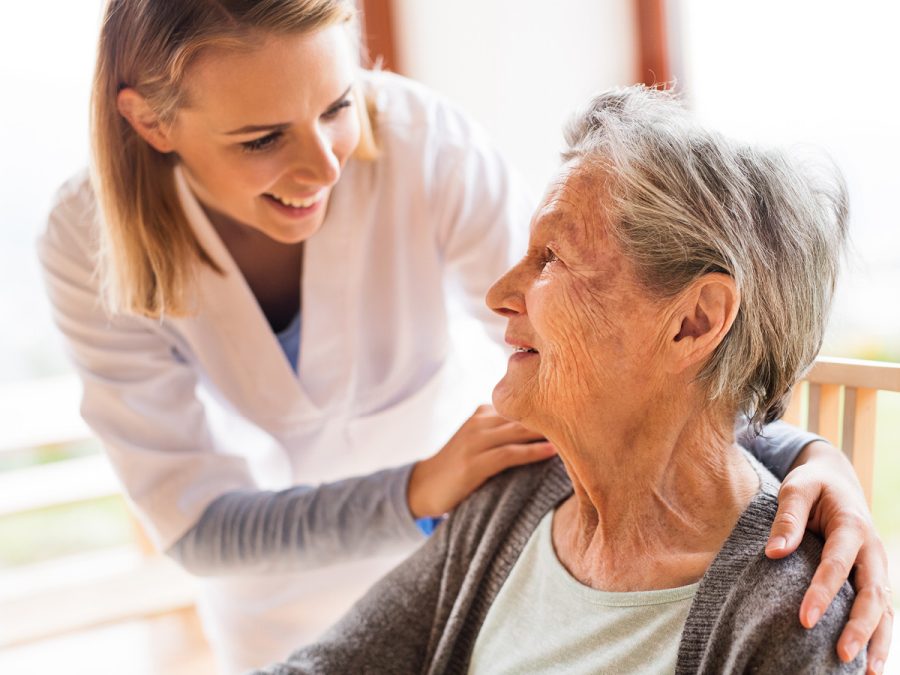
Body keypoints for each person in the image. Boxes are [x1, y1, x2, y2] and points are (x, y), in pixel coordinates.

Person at [38, 1, 890, 672]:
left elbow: (634, 350)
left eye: (340, 105)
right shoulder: (85, 243)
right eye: (262, 138)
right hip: (309, 589)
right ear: (153, 123)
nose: (327, 164)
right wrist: (422, 492)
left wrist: (805, 451)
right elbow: (203, 527)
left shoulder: (421, 144)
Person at [256, 86, 886, 674]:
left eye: (551, 258)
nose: (499, 294)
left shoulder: (792, 618)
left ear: (694, 323)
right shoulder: (514, 497)